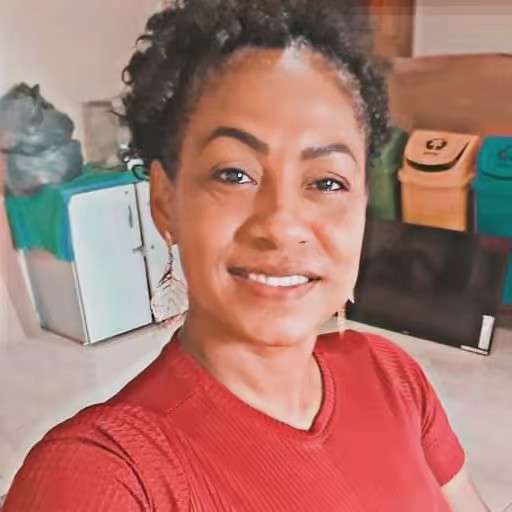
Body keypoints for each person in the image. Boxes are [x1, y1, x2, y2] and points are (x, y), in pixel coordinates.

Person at [5, 1, 489, 510]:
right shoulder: (100, 477)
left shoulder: (394, 377)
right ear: (165, 200)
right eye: (234, 174)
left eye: (327, 182)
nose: (282, 224)